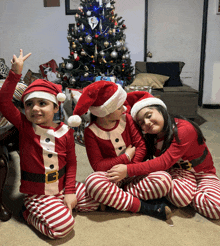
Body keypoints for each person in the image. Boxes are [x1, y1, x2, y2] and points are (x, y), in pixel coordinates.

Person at [0, 49, 100, 239]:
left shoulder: (65, 131)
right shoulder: (25, 126)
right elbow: (4, 103)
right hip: (38, 194)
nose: (35, 108)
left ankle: (61, 205)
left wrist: (69, 192)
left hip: (62, 186)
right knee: (63, 227)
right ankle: (27, 213)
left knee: (95, 197)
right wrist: (15, 73)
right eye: (29, 104)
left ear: (55, 107)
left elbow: (71, 162)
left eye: (42, 103)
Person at [67, 81, 172, 221]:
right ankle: (143, 206)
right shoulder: (90, 131)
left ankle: (116, 199)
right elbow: (98, 166)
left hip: (134, 171)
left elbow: (141, 147)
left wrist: (128, 169)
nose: (124, 108)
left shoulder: (127, 119)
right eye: (118, 107)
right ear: (105, 113)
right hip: (111, 177)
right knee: (93, 182)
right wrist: (126, 157)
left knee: (164, 180)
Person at [107, 91, 220, 219]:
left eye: (149, 115)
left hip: (203, 174)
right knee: (180, 197)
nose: (147, 122)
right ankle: (181, 195)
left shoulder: (184, 129)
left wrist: (127, 170)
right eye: (141, 123)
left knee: (216, 208)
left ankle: (191, 194)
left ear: (161, 110)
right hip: (177, 172)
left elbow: (163, 162)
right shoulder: (150, 136)